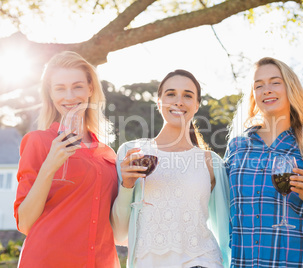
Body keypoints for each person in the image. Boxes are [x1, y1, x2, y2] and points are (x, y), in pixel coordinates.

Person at [111, 69, 231, 268]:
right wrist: (127, 186)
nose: (179, 101)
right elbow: (119, 233)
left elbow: (226, 232)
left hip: (202, 262)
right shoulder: (132, 153)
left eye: (187, 95)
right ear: (159, 102)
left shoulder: (212, 162)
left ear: (197, 105)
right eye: (171, 94)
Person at [14, 51, 120, 267]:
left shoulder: (109, 155)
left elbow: (116, 222)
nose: (70, 96)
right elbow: (24, 222)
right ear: (51, 94)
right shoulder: (39, 142)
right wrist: (49, 166)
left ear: (90, 89)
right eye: (60, 88)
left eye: (78, 86)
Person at [225, 57, 303, 267]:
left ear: (290, 88)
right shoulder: (236, 147)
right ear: (253, 96)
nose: (267, 90)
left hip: (298, 261)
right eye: (259, 85)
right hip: (246, 261)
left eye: (275, 82)